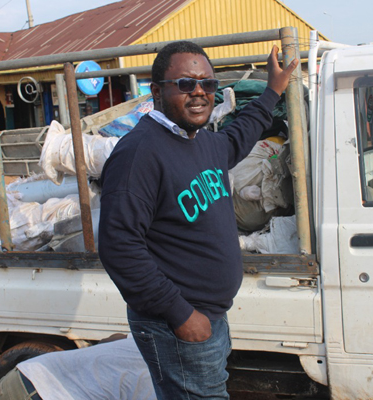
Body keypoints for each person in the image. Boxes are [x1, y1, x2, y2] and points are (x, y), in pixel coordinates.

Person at [98, 40, 298, 399]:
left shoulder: (203, 141)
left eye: (208, 84)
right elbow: (119, 246)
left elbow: (240, 135)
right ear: (157, 91)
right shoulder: (139, 154)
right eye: (186, 84)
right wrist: (181, 315)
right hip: (178, 325)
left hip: (209, 318)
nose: (200, 93)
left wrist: (273, 91)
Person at [0, 334, 156, 400]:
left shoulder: (158, 343)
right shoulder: (167, 385)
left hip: (25, 375)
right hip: (41, 392)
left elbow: (110, 339)